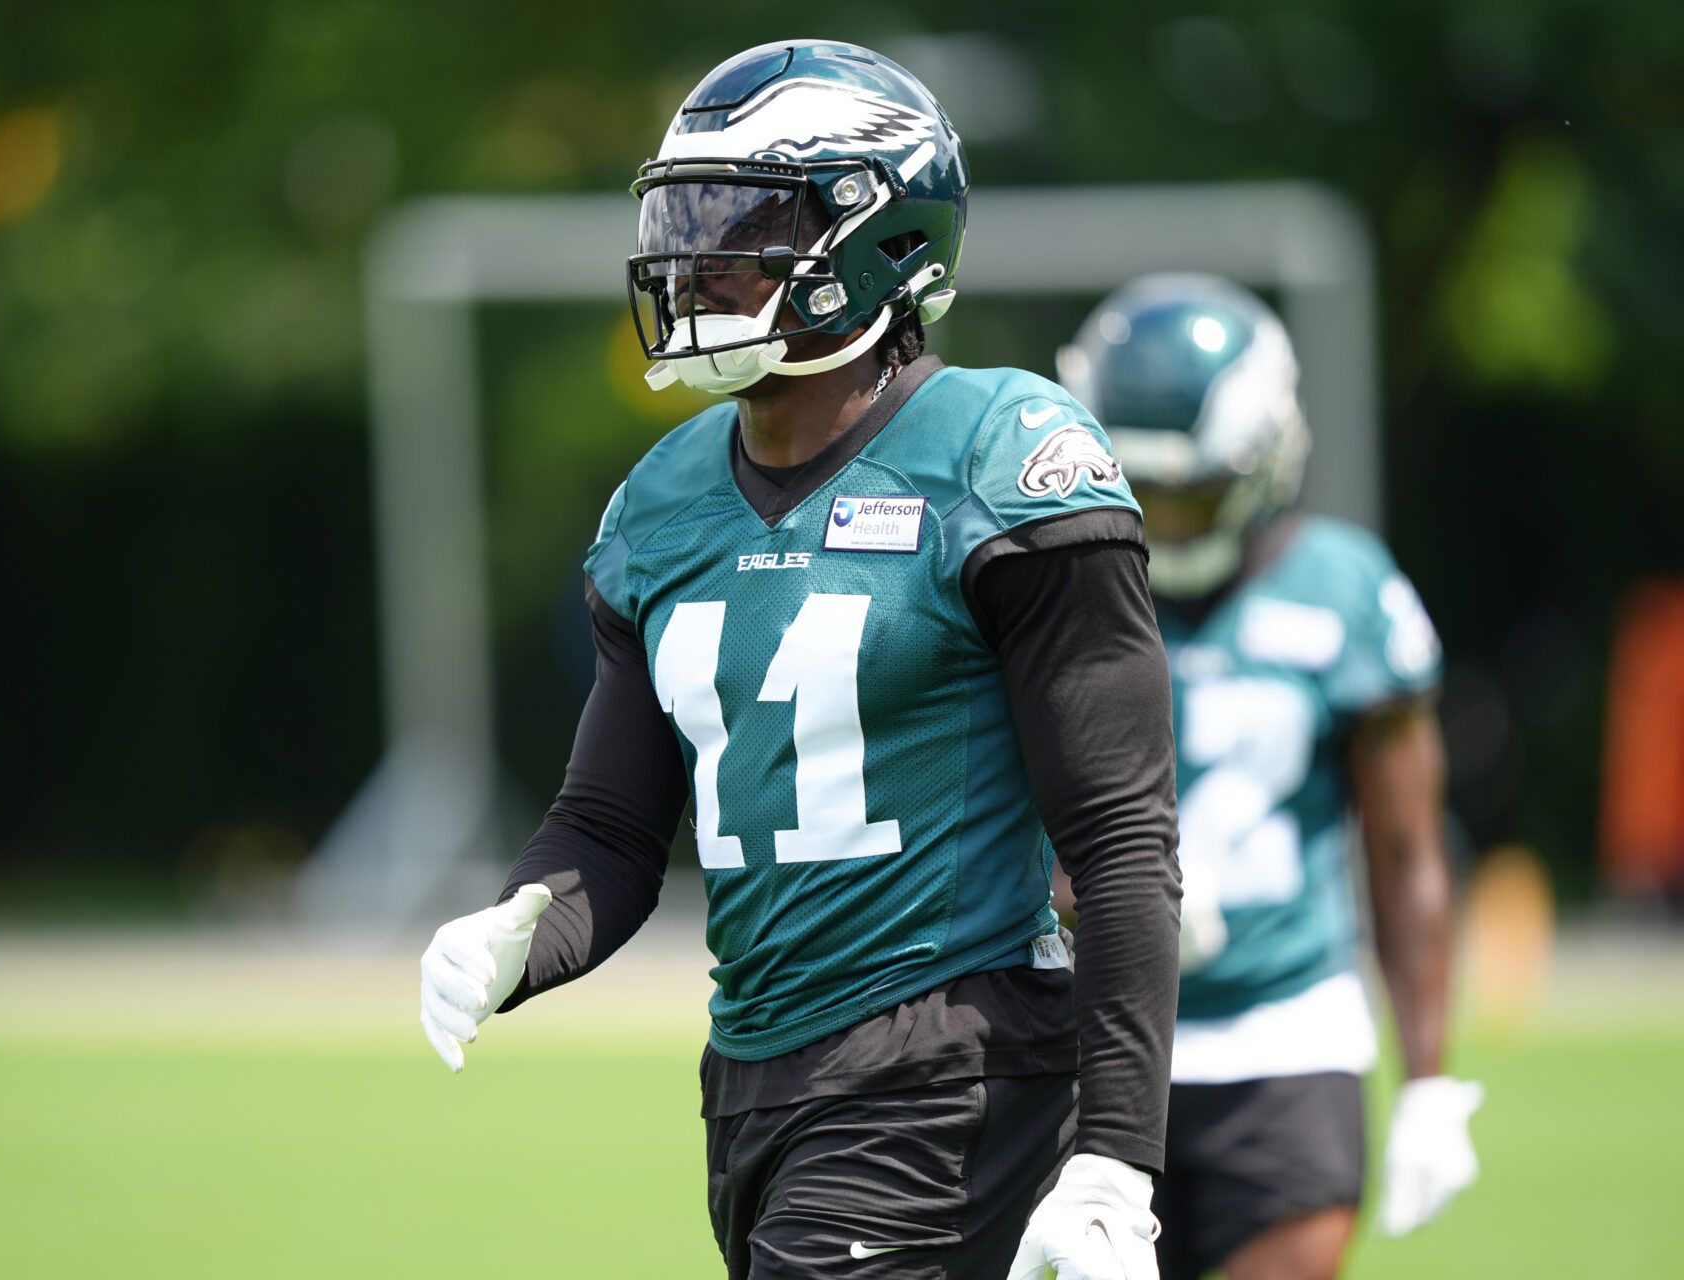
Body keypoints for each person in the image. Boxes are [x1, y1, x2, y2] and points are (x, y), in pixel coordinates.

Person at [420, 40, 1181, 1280]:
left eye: (742, 224)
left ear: (880, 238)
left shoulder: (998, 457)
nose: (694, 261)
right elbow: (610, 825)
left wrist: (1115, 1160)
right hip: (753, 1072)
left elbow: (1119, 837)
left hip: (951, 1057)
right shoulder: (663, 500)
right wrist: (519, 927)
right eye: (684, 220)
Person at [1055, 275, 1482, 1280]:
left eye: (1191, 491)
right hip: (1088, 1039)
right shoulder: (1054, 586)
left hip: (1286, 1035)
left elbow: (1406, 847)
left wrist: (1428, 1080)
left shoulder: (1343, 588)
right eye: (1143, 490)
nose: (1166, 518)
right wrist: (1082, 897)